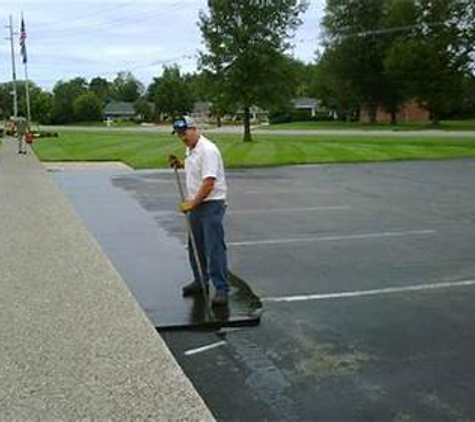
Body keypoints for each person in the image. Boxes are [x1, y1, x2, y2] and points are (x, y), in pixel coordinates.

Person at [169, 116, 230, 307]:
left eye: (184, 132)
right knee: (195, 246)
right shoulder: (191, 149)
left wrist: (192, 203)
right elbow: (195, 169)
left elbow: (209, 182)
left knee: (214, 247)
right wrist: (181, 163)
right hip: (196, 205)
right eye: (179, 134)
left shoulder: (208, 150)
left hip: (211, 205)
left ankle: (221, 288)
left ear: (194, 129)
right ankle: (200, 280)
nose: (182, 137)